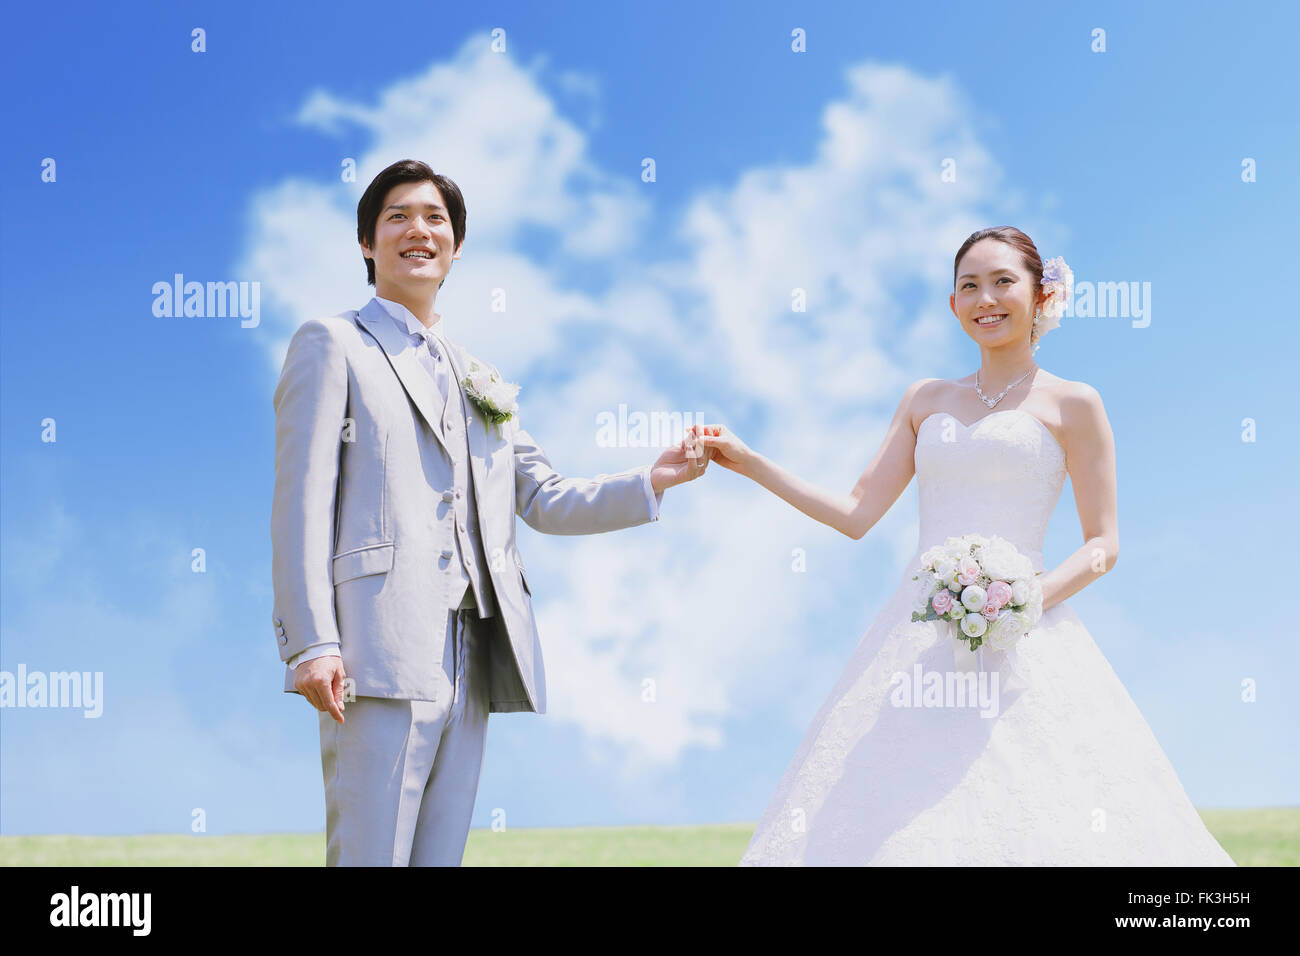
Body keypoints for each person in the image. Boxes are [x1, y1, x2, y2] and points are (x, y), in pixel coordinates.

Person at [692, 226, 1235, 866]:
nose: (986, 298)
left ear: (1042, 294)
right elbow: (855, 513)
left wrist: (1021, 601)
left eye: (1004, 281)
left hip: (1028, 632)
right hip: (916, 631)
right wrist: (752, 463)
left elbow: (1102, 545)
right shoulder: (925, 399)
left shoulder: (1075, 403)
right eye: (969, 286)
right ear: (953, 306)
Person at [270, 159, 711, 866]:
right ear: (366, 243)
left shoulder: (478, 376)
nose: (419, 229)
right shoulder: (332, 342)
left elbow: (542, 496)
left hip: (472, 655)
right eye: (398, 216)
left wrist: (650, 480)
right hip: (375, 648)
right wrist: (312, 643)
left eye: (436, 218)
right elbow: (300, 501)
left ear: (457, 246)